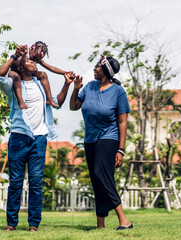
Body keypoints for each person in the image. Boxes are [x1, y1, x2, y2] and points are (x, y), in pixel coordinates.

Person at [0, 45, 74, 232]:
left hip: (39, 139)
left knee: (36, 182)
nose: (33, 61)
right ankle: (11, 223)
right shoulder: (12, 85)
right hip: (19, 138)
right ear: (20, 68)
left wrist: (67, 84)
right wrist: (15, 56)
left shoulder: (40, 84)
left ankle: (33, 224)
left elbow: (58, 103)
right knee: (15, 182)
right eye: (28, 61)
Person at [69, 54, 133, 230]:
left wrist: (121, 150)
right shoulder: (89, 87)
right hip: (90, 140)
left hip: (109, 138)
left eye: (97, 67)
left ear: (105, 71)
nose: (94, 69)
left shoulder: (118, 92)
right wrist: (75, 88)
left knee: (100, 174)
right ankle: (100, 226)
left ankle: (123, 219)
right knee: (96, 181)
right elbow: (74, 106)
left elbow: (122, 121)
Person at [10, 41, 72, 109]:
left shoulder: (37, 59)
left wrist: (65, 72)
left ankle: (49, 99)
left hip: (29, 73)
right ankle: (21, 101)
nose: (35, 60)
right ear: (31, 50)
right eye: (34, 57)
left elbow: (51, 68)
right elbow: (14, 63)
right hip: (20, 72)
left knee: (43, 75)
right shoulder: (24, 55)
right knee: (42, 75)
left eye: (38, 59)